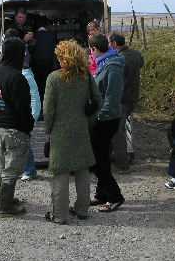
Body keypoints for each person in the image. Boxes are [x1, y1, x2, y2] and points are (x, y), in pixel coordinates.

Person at [44, 40, 102, 224]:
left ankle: (60, 215)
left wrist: (48, 130)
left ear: (64, 57)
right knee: (82, 169)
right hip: (81, 128)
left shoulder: (54, 78)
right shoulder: (86, 76)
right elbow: (98, 101)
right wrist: (89, 120)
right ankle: (82, 209)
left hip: (60, 131)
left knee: (60, 172)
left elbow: (48, 110)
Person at [0, 37, 34, 217]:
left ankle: (6, 199)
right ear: (18, 54)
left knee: (2, 166)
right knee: (12, 170)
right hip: (15, 129)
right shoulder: (17, 78)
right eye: (23, 53)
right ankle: (5, 207)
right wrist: (28, 127)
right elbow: (23, 108)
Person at [89, 33, 125, 212]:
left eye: (91, 50)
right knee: (101, 157)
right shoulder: (105, 63)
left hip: (107, 119)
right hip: (103, 117)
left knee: (97, 160)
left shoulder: (113, 66)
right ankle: (101, 194)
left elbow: (112, 97)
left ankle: (115, 196)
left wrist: (98, 116)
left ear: (94, 48)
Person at [109, 33, 144, 168]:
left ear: (114, 44)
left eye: (110, 43)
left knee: (118, 131)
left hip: (122, 98)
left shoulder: (119, 59)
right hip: (133, 96)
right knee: (122, 127)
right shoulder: (136, 54)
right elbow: (141, 64)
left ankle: (122, 163)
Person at [21, 66, 41, 181]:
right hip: (26, 114)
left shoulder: (26, 75)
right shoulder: (25, 75)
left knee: (24, 141)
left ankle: (29, 170)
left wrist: (34, 115)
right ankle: (27, 169)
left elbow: (34, 98)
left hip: (27, 115)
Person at [31, 26, 56, 104]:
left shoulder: (34, 36)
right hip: (49, 65)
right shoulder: (51, 35)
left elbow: (31, 50)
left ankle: (41, 102)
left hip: (37, 66)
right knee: (47, 84)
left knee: (39, 86)